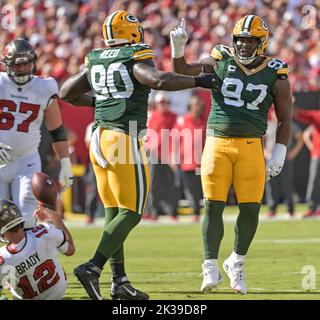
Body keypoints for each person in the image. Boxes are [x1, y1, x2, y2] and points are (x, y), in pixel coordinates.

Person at [59, 10, 219, 300]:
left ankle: (119, 282)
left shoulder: (96, 57)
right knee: (132, 213)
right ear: (132, 33)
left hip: (97, 137)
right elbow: (155, 80)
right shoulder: (135, 53)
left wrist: (100, 99)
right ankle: (93, 267)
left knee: (114, 212)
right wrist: (198, 82)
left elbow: (66, 92)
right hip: (122, 137)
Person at [170, 16, 292, 294]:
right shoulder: (220, 59)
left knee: (251, 209)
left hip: (252, 146)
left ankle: (236, 261)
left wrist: (280, 151)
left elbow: (286, 118)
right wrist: (178, 48)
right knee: (213, 205)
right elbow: (182, 71)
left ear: (262, 43)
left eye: (251, 40)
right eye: (241, 40)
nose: (245, 45)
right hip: (217, 144)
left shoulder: (276, 72)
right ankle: (209, 265)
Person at [0, 38, 74, 229]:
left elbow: (56, 130)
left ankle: (24, 258)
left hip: (27, 161)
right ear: (7, 65)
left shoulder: (44, 87)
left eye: (25, 64)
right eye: (16, 66)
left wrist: (65, 163)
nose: (21, 69)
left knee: (27, 217)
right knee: (3, 220)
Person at [0, 200, 75, 300]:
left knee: (7, 276)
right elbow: (70, 250)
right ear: (21, 221)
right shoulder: (45, 231)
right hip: (57, 293)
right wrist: (56, 218)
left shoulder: (3, 258)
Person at [172, 94, 207, 223]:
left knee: (204, 189)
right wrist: (174, 158)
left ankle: (205, 211)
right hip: (188, 163)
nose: (198, 107)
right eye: (196, 105)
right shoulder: (182, 121)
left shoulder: (205, 121)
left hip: (203, 162)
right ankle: (196, 212)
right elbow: (175, 140)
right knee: (192, 190)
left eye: (200, 105)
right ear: (190, 106)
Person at [265, 108, 303, 218]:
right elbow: (260, 139)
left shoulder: (288, 125)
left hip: (284, 159)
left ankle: (290, 210)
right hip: (271, 159)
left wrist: (293, 153)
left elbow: (300, 138)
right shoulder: (267, 125)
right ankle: (272, 209)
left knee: (287, 184)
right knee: (271, 185)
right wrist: (265, 152)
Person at [293, 108, 320, 217]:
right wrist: (291, 102)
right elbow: (298, 114)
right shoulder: (316, 115)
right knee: (314, 181)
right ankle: (312, 208)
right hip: (317, 155)